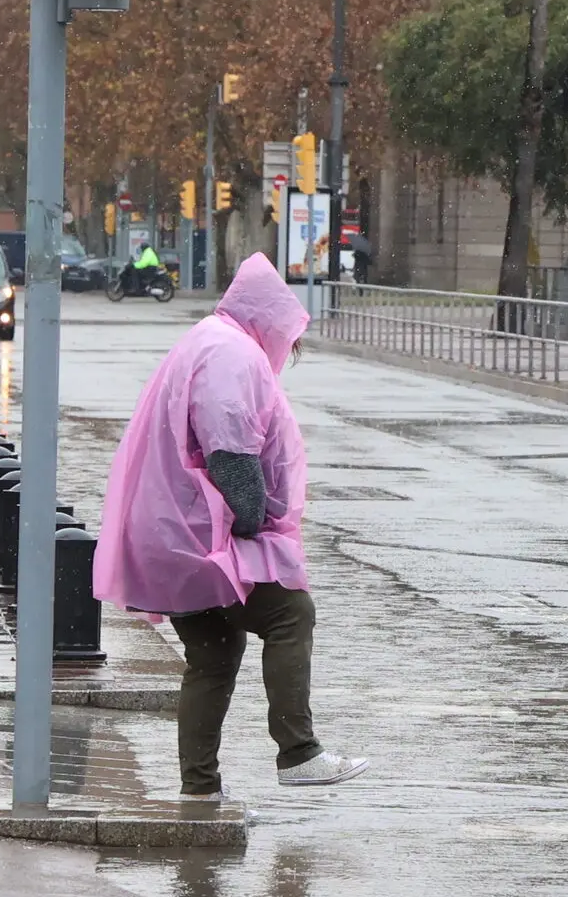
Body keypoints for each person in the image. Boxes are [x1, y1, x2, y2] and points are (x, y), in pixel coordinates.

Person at [93, 253, 368, 800]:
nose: (287, 353)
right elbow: (231, 455)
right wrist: (251, 519)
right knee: (291, 613)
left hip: (168, 533)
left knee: (214, 653)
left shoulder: (209, 339)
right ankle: (298, 752)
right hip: (194, 536)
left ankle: (199, 790)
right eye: (289, 342)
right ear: (268, 321)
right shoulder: (232, 356)